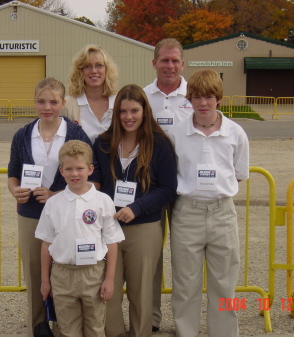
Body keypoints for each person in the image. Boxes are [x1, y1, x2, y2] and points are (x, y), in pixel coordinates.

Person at [7, 77, 92, 337]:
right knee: (35, 272)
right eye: (41, 101)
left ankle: (63, 326)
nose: (47, 107)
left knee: (64, 271)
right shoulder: (22, 135)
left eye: (53, 102)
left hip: (67, 213)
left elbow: (89, 175)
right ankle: (38, 324)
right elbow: (12, 172)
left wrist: (55, 193)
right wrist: (15, 190)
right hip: (31, 213)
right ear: (34, 102)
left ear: (63, 103)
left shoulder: (76, 133)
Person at [168, 69, 249, 337]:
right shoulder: (176, 134)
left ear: (219, 98)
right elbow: (172, 173)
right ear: (189, 98)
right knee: (185, 284)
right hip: (186, 212)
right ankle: (186, 332)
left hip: (222, 213)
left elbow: (239, 175)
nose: (203, 103)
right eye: (198, 97)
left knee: (225, 284)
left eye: (210, 97)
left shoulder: (236, 133)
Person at [92, 84, 177, 337]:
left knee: (142, 292)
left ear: (144, 111)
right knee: (108, 291)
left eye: (135, 111)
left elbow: (168, 188)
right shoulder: (103, 143)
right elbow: (96, 184)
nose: (129, 117)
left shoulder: (159, 143)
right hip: (109, 229)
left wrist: (137, 207)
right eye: (123, 111)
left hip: (144, 227)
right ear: (116, 113)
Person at [36, 140, 125, 337]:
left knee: (95, 327)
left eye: (79, 168)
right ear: (61, 171)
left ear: (90, 169)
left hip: (93, 274)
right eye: (69, 169)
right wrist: (45, 280)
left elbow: (112, 242)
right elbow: (46, 244)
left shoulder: (103, 201)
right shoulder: (53, 203)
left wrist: (109, 279)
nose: (74, 174)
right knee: (67, 330)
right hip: (62, 274)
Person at [143, 37, 194, 332]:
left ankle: (184, 322)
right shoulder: (143, 97)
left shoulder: (195, 95)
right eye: (164, 60)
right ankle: (150, 318)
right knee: (149, 256)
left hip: (186, 189)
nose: (170, 66)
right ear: (154, 63)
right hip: (151, 188)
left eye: (175, 60)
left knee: (184, 258)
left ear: (183, 64)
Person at [62, 44, 119, 143]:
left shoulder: (119, 102)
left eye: (99, 65)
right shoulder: (67, 105)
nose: (94, 71)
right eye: (88, 66)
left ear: (107, 69)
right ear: (80, 71)